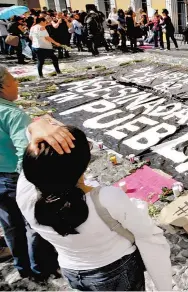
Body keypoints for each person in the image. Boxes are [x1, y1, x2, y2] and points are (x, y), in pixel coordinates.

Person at [17, 126, 172, 291]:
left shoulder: (24, 193)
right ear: (82, 164)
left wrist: (38, 130)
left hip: (72, 270)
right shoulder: (107, 198)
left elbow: (32, 143)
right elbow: (148, 236)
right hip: (115, 272)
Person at [0, 66, 72, 281]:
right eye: (14, 80)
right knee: (34, 224)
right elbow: (27, 155)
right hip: (15, 179)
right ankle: (41, 269)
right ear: (2, 87)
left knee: (10, 226)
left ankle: (22, 267)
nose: (18, 84)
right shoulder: (12, 114)